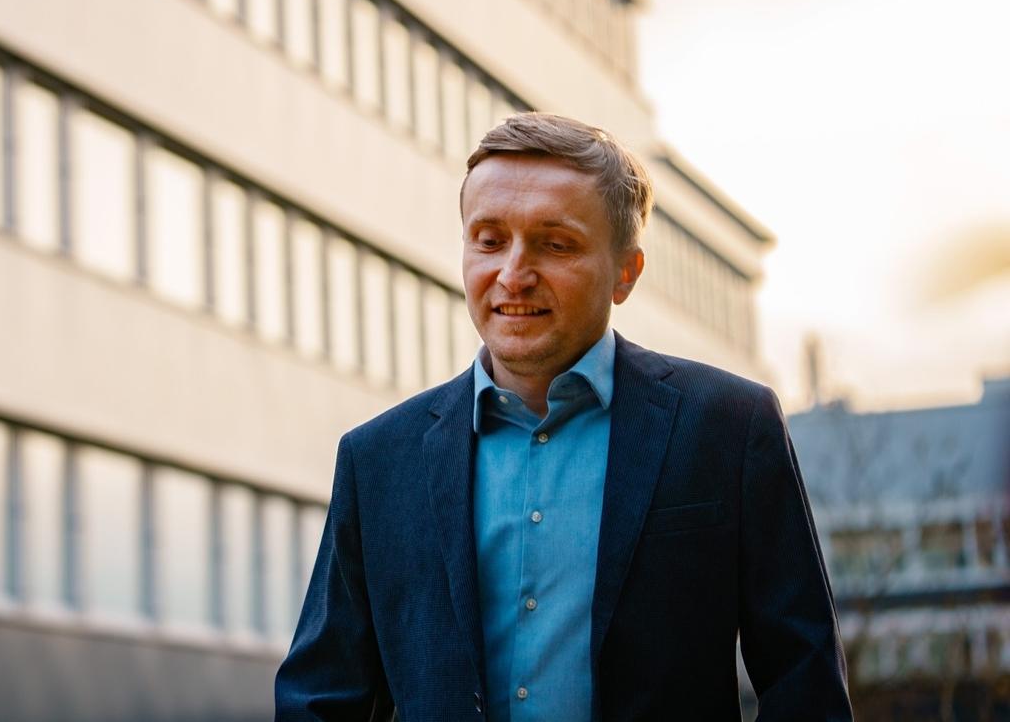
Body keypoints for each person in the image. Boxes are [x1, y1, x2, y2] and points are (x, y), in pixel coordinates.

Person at [274, 113, 852, 721]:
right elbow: (321, 698)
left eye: (556, 244)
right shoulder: (377, 460)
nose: (513, 275)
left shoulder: (730, 427)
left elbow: (804, 681)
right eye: (489, 241)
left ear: (625, 272)